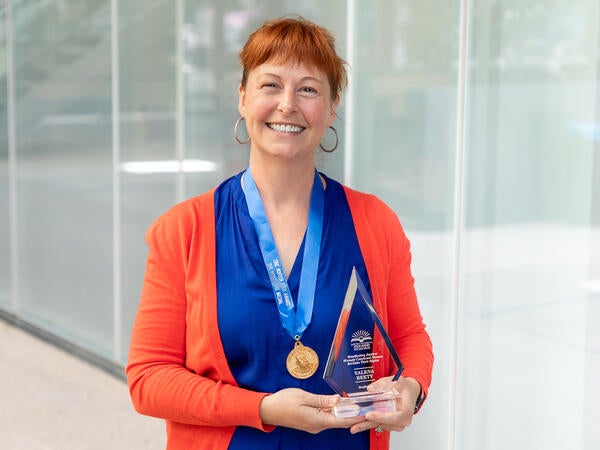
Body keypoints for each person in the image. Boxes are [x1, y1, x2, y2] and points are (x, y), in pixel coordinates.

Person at [126, 16, 433, 450]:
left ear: (331, 107)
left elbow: (409, 337)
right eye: (271, 85)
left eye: (308, 89)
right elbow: (148, 378)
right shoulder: (185, 229)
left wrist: (411, 388)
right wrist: (263, 408)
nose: (288, 104)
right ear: (242, 99)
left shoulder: (376, 222)